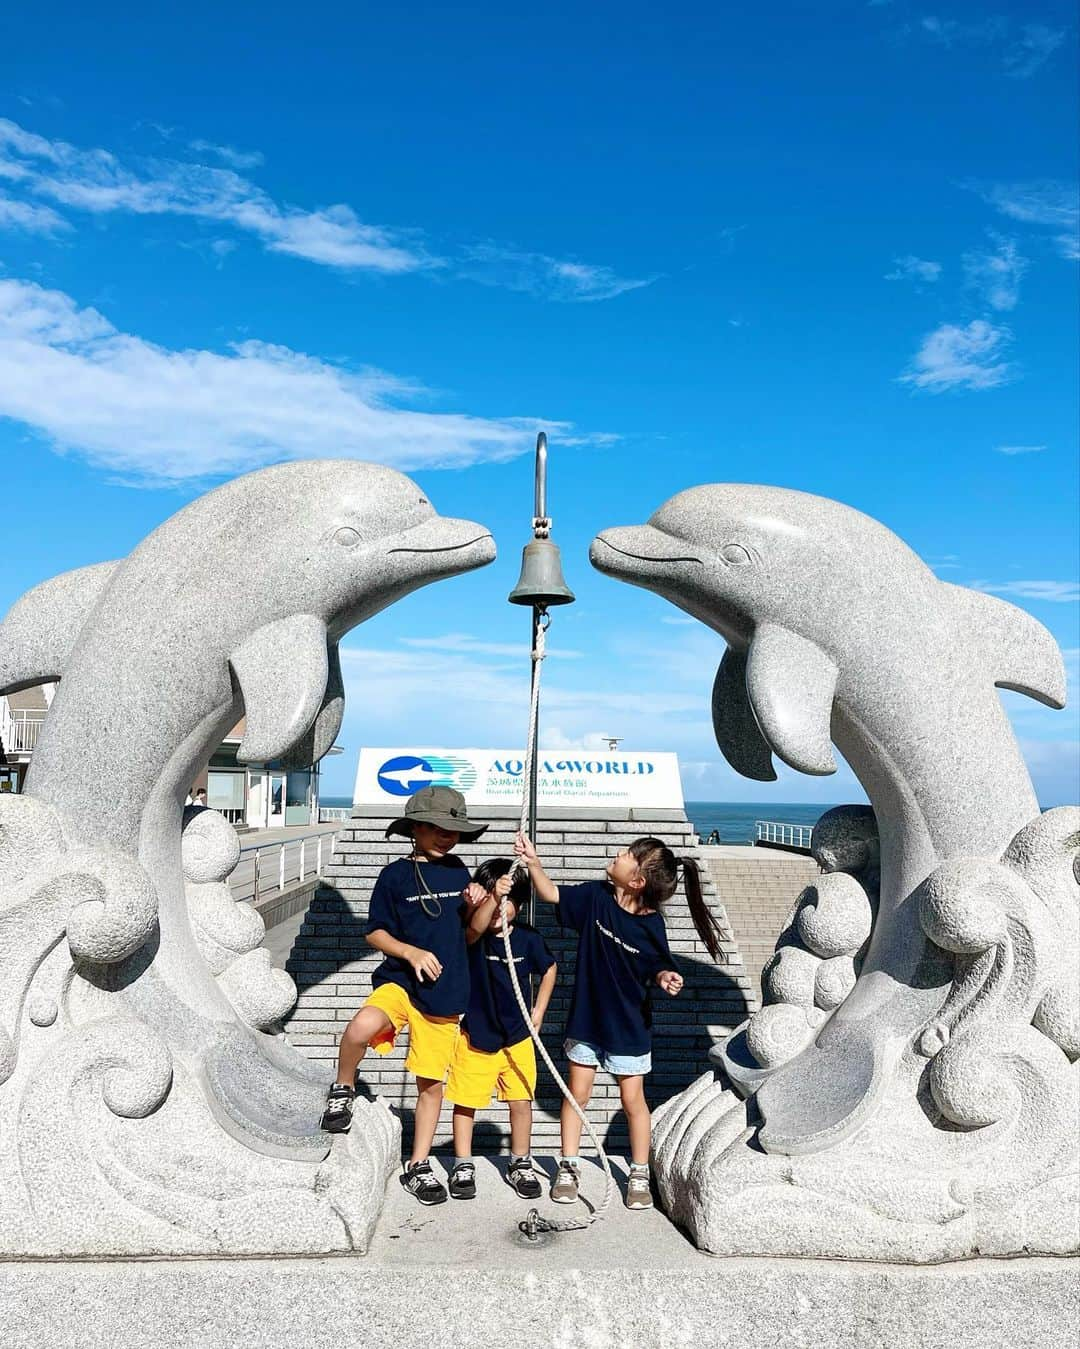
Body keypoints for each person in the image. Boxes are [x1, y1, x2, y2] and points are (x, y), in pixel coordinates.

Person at [513, 831, 725, 1211]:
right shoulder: (596, 896)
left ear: (637, 880)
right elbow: (552, 895)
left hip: (629, 1028)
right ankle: (569, 1166)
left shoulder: (651, 925)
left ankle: (639, 1173)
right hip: (586, 1020)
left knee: (633, 1101)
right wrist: (533, 862)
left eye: (627, 854)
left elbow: (657, 964)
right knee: (576, 1095)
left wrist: (665, 977)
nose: (617, 853)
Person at [320, 785, 489, 1207]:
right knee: (361, 1026)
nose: (447, 836)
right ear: (414, 828)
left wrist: (479, 904)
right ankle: (344, 1086)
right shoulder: (393, 875)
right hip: (399, 981)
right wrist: (410, 951)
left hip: (447, 991)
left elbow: (470, 934)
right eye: (436, 827)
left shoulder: (459, 872)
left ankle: (418, 1165)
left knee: (431, 1084)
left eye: (453, 829)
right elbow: (375, 930)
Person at [444, 859, 557, 1202]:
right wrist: (491, 898)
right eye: (493, 899)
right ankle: (462, 1163)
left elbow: (549, 969)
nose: (499, 909)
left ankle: (520, 1161)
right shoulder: (471, 935)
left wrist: (539, 1010)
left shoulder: (528, 939)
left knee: (521, 1102)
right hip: (476, 1036)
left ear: (519, 906)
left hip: (518, 1037)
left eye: (507, 901)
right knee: (465, 1103)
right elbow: (474, 928)